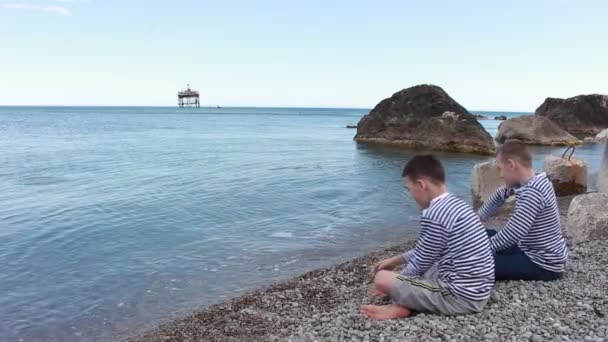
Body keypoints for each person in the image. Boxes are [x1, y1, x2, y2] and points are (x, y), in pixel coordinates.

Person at [360, 155, 495, 319]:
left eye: (409, 189)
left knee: (382, 279)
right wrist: (395, 260)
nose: (410, 195)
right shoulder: (456, 204)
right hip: (478, 289)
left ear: (421, 185)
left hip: (460, 298)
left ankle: (401, 306)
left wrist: (394, 287)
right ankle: (406, 301)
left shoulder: (435, 213)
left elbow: (420, 263)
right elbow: (428, 250)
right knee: (426, 266)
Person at [478, 140, 568, 281]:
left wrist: (482, 250)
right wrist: (475, 221)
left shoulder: (534, 192)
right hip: (526, 248)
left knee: (477, 264)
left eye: (500, 169)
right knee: (480, 234)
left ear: (511, 165)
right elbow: (498, 196)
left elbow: (513, 232)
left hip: (542, 263)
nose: (501, 175)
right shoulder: (529, 181)